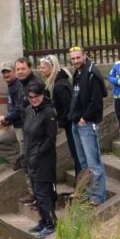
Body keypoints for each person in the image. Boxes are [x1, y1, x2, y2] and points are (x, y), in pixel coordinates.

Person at [66, 45, 108, 206]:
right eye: (73, 58)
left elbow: (96, 101)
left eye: (78, 57)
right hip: (76, 122)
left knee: (93, 163)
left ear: (85, 56)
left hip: (86, 123)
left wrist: (84, 118)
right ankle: (87, 193)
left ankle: (97, 196)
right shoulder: (78, 72)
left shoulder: (92, 73)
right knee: (83, 163)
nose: (76, 61)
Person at [22, 81, 58, 238]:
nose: (34, 99)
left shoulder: (49, 113)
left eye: (37, 96)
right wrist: (26, 156)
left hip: (44, 160)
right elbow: (27, 135)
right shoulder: (29, 110)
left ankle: (51, 224)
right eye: (31, 97)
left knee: (43, 193)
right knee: (37, 193)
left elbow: (51, 139)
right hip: (31, 158)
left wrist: (37, 154)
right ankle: (43, 221)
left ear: (43, 95)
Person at [38, 54, 81, 183]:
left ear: (52, 68)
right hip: (70, 123)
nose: (40, 70)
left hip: (72, 124)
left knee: (77, 154)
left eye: (43, 68)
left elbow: (68, 108)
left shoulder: (59, 86)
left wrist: (60, 121)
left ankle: (81, 185)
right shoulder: (57, 83)